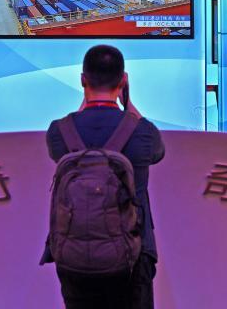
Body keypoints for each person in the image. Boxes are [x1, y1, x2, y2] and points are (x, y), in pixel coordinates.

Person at [43, 44, 165, 308]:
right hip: (134, 252)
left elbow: (63, 147)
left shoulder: (58, 132)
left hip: (74, 255)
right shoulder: (143, 132)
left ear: (82, 80)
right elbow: (158, 152)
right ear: (123, 81)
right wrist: (128, 103)